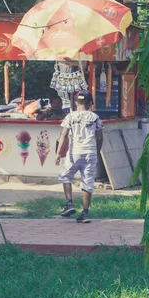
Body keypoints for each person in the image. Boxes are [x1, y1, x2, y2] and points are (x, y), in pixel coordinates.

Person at [54, 89, 104, 223]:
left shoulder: (71, 117)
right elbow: (99, 138)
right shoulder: (95, 118)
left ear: (76, 102)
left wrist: (58, 153)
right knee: (88, 182)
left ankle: (69, 203)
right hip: (91, 152)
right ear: (90, 103)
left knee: (65, 175)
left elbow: (63, 136)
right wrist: (97, 153)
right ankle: (85, 213)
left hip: (75, 152)